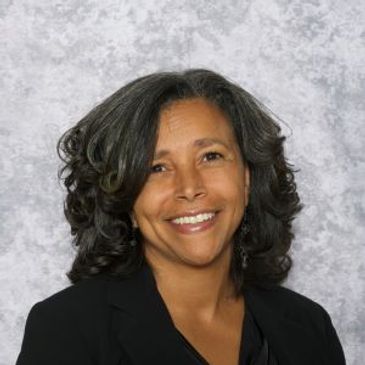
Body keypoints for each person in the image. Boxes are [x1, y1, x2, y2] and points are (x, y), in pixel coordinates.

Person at [16, 69, 346, 365]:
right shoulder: (68, 328)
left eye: (211, 156)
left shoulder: (308, 326)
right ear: (125, 197)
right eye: (156, 167)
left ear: (246, 179)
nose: (189, 188)